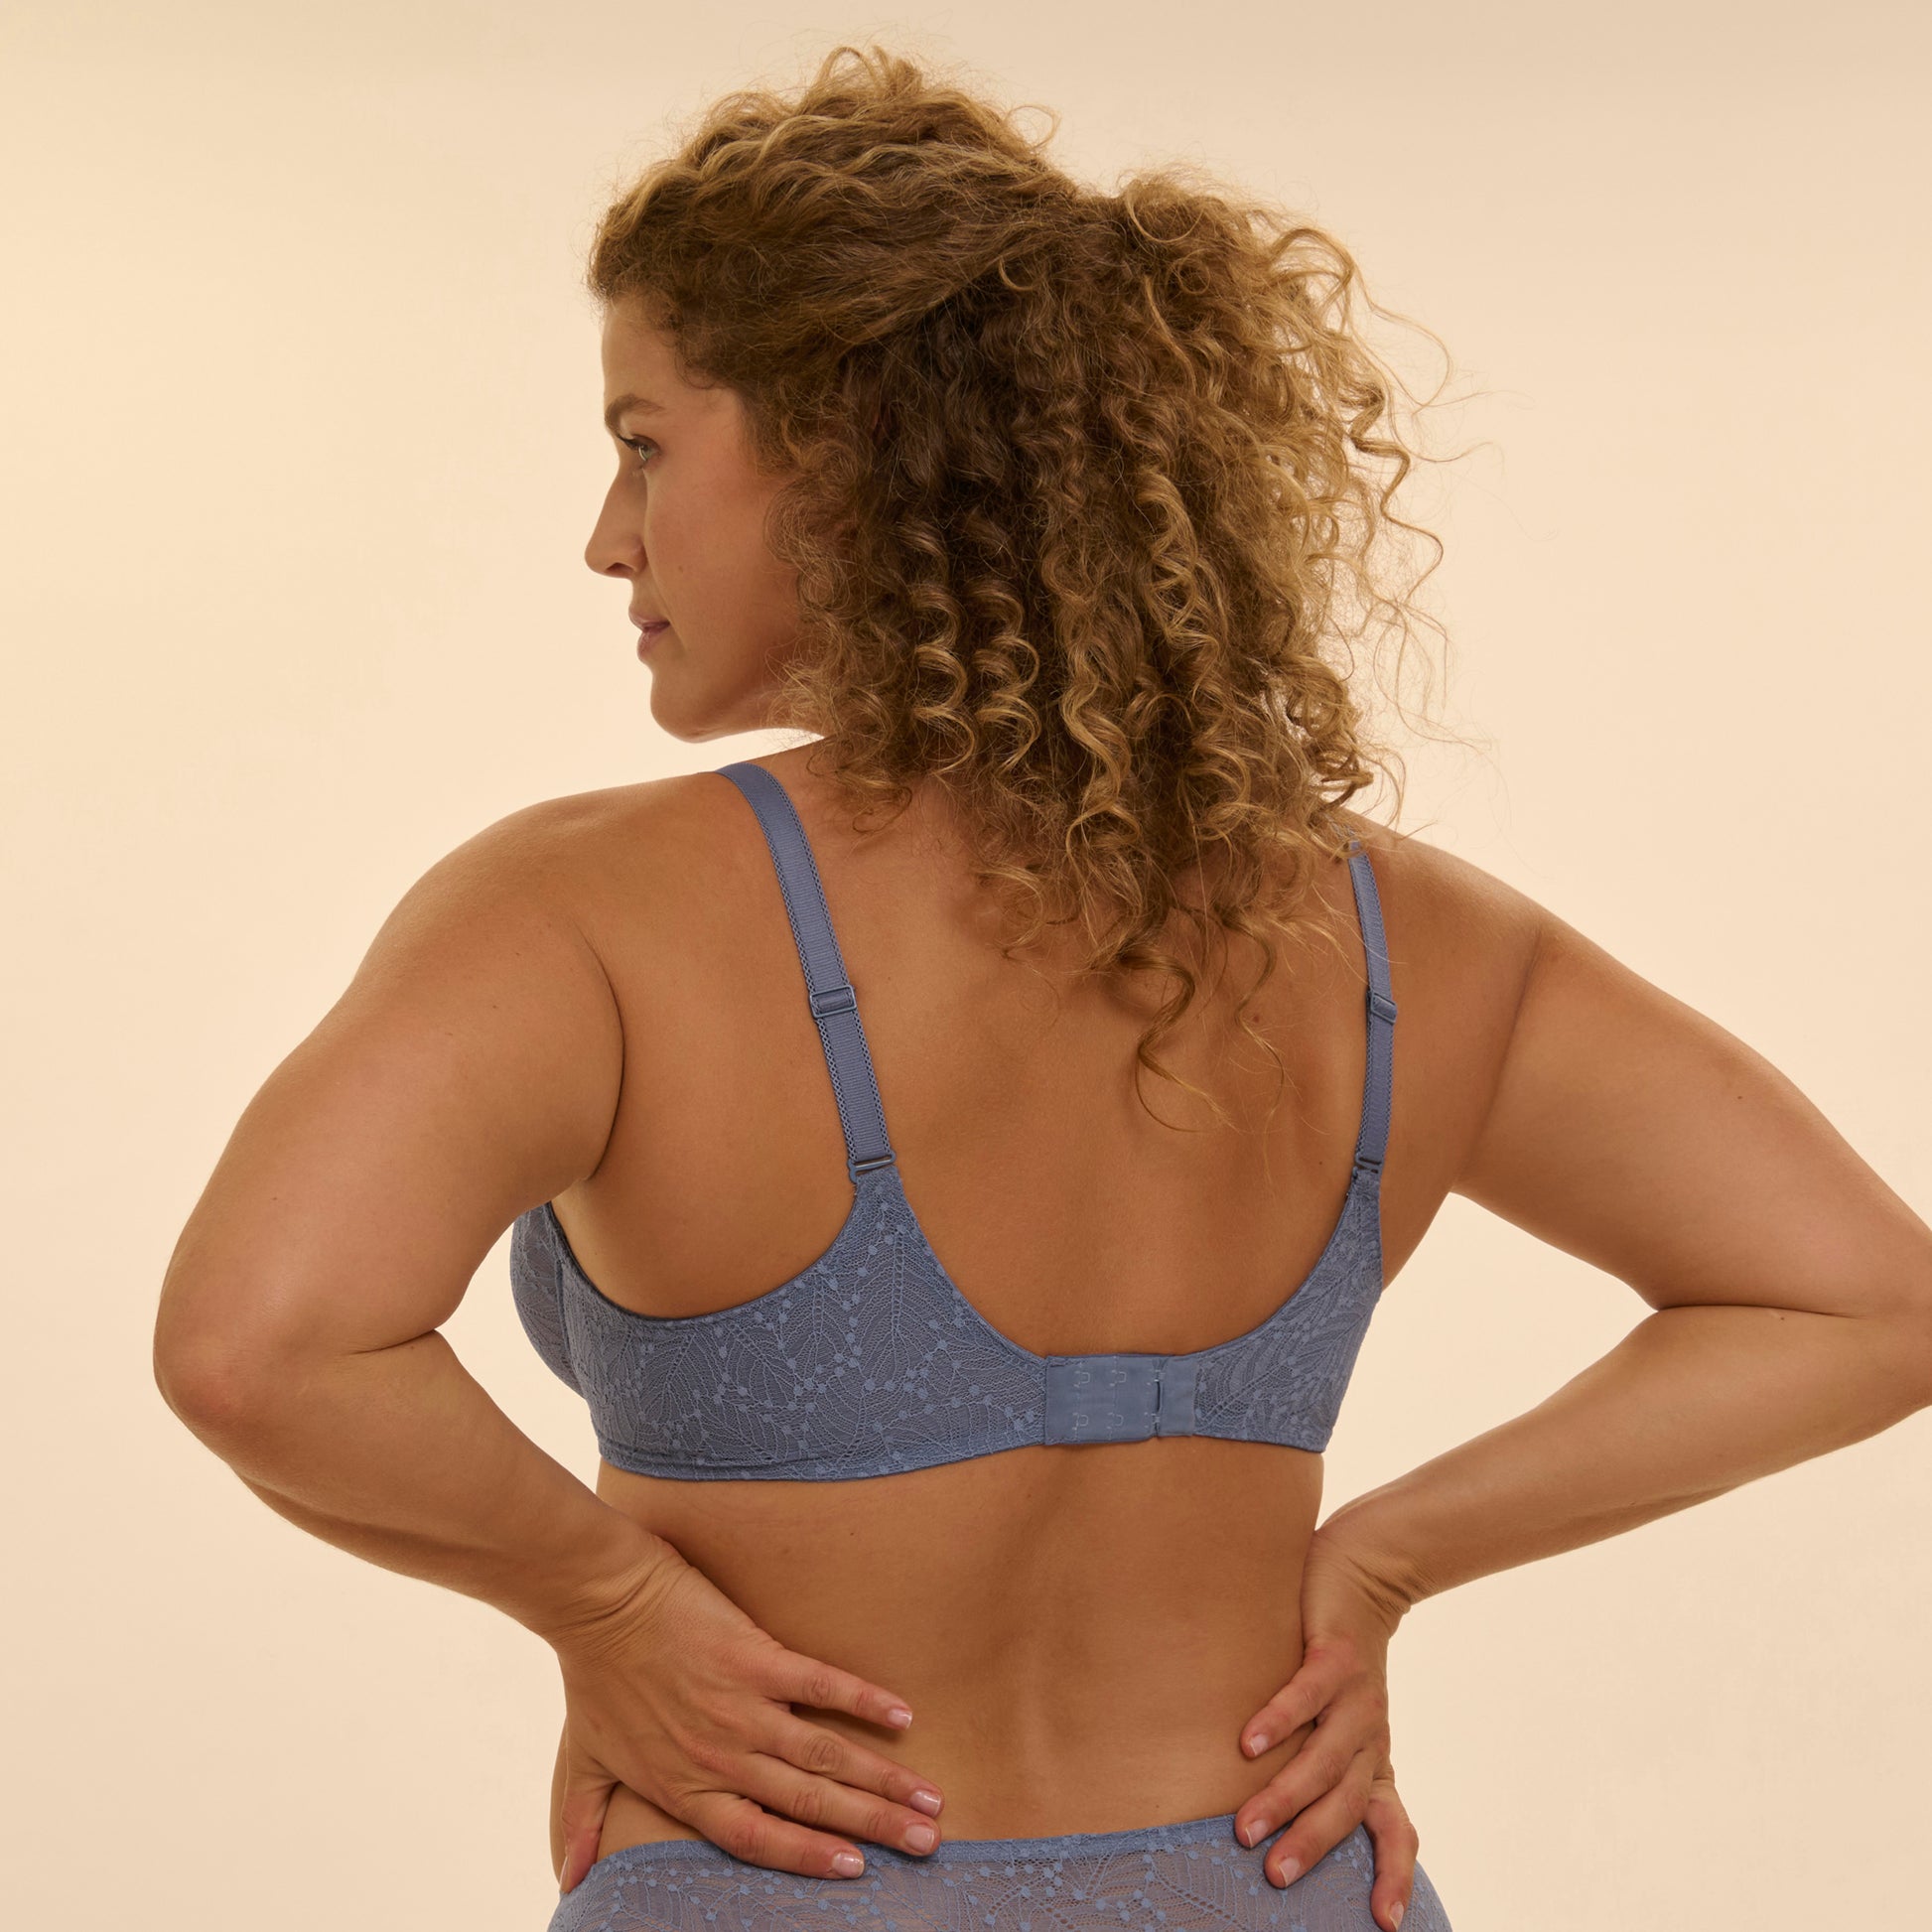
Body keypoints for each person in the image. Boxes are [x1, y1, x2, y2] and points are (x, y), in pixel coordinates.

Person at [150, 42, 1932, 1932]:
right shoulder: (1402, 942)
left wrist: (608, 1606)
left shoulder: (582, 914)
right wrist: (1384, 1558)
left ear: (837, 452)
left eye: (646, 440)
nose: (610, 532)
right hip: (1283, 1885)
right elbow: (1866, 1297)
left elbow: (255, 1348)